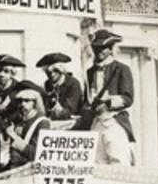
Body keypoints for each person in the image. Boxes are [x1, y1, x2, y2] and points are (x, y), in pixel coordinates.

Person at [84, 29, 134, 165]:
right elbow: (86, 99)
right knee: (96, 164)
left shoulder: (122, 69)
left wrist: (108, 103)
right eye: (96, 47)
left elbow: (128, 97)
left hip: (114, 121)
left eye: (104, 48)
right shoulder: (89, 72)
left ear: (111, 49)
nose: (99, 51)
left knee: (118, 161)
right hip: (96, 123)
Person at [5, 87, 51, 168]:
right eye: (20, 101)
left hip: (29, 168)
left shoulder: (42, 123)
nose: (22, 104)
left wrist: (14, 137)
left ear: (35, 102)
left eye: (27, 100)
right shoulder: (18, 119)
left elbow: (36, 153)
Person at [38, 52, 83, 120]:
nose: (52, 75)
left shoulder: (72, 83)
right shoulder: (47, 84)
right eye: (48, 73)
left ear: (61, 70)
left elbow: (71, 109)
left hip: (71, 122)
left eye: (55, 71)